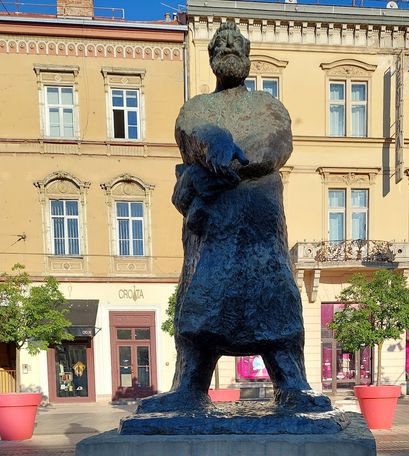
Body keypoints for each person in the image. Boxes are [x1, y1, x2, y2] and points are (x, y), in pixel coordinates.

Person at [138, 21, 330, 414]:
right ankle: (190, 385)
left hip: (259, 225)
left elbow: (275, 144)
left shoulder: (267, 105)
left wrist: (219, 166)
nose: (227, 48)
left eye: (235, 44)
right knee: (200, 304)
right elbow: (192, 134)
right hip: (212, 230)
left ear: (247, 55)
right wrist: (213, 152)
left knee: (274, 299)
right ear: (210, 58)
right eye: (219, 45)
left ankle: (292, 383)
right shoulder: (197, 108)